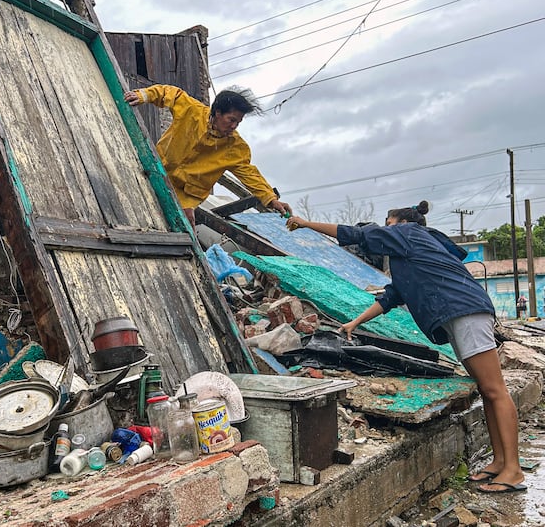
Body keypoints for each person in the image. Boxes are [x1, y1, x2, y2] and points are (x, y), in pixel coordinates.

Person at [286, 201, 526, 494]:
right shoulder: (411, 255)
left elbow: (356, 234)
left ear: (398, 223)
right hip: (456, 314)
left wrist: (306, 223)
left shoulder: (407, 233)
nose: (383, 228)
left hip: (464, 312)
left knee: (495, 390)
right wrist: (354, 323)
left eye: (387, 222)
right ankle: (500, 461)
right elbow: (390, 298)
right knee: (488, 391)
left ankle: (513, 471)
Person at [124, 85, 291, 228]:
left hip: (186, 194)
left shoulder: (235, 148)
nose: (233, 126)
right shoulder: (192, 111)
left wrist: (271, 199)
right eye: (231, 119)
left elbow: (250, 175)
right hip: (158, 168)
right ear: (217, 112)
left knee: (185, 225)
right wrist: (143, 96)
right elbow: (169, 92)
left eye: (238, 122)